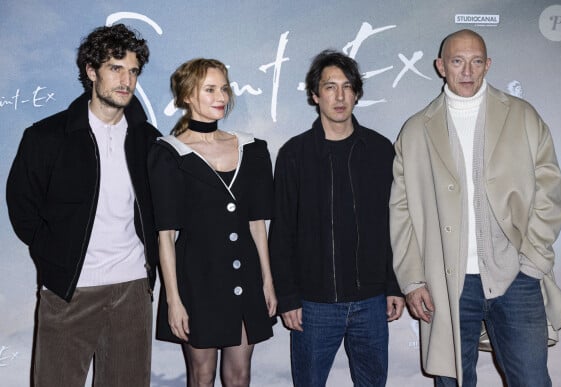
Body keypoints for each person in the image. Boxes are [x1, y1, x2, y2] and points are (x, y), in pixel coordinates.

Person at [390, 29, 561, 386]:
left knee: (533, 380)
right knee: (454, 380)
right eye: (458, 61)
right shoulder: (415, 131)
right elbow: (401, 214)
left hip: (517, 278)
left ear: (488, 65)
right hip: (447, 282)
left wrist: (533, 261)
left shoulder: (522, 116)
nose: (467, 71)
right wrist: (413, 280)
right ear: (440, 66)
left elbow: (550, 192)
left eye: (476, 62)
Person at [6, 24, 160, 386]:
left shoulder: (149, 140)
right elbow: (22, 207)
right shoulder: (46, 137)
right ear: (92, 71)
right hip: (68, 291)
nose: (126, 80)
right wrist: (54, 259)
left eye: (133, 70)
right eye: (115, 68)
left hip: (132, 291)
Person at [269, 49, 405, 387]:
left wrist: (394, 284)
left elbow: (397, 225)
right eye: (330, 87)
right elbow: (281, 231)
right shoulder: (294, 155)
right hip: (313, 305)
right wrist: (287, 297)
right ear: (315, 95)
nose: (339, 96)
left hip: (371, 301)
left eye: (347, 86)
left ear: (357, 93)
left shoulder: (380, 150)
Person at [147, 58, 277, 387]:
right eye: (209, 89)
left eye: (223, 88)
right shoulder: (168, 153)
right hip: (197, 282)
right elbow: (165, 235)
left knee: (239, 375)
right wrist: (173, 300)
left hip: (245, 279)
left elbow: (256, 223)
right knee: (201, 376)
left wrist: (267, 280)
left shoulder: (252, 148)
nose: (221, 96)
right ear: (187, 95)